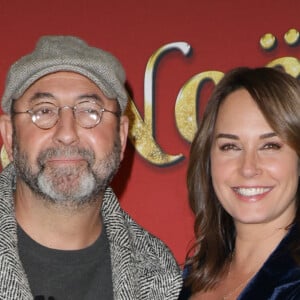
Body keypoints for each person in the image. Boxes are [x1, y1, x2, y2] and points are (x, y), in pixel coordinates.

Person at [0, 35, 182, 300]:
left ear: (121, 136)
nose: (66, 133)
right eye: (43, 111)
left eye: (89, 110)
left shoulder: (159, 273)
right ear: (9, 134)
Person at [179, 67, 300, 299]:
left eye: (270, 146)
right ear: (208, 160)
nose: (248, 168)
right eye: (230, 146)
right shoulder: (188, 278)